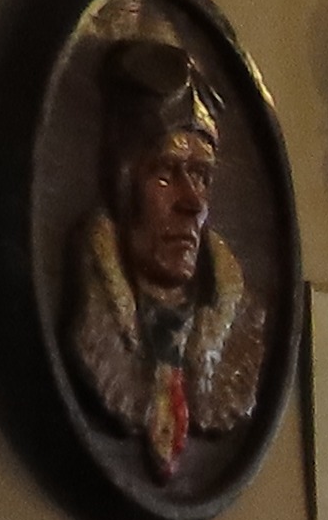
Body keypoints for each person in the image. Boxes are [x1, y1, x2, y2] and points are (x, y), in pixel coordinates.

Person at [67, 34, 265, 476]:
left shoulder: (232, 320)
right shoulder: (92, 304)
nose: (192, 202)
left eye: (201, 175)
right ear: (123, 184)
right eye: (166, 172)